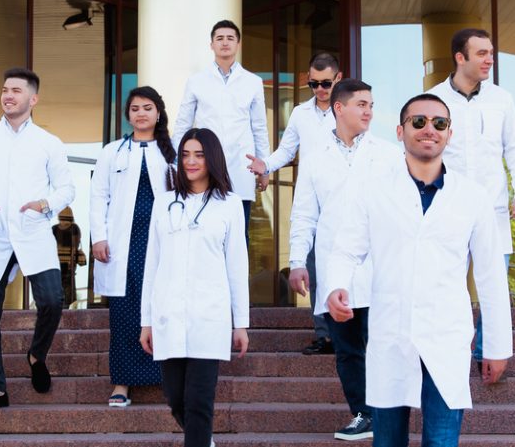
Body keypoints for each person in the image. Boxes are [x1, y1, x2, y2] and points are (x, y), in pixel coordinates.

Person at [326, 93, 512, 447]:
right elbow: (346, 247)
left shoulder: (472, 197)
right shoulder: (374, 189)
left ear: (449, 133)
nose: (429, 129)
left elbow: (490, 275)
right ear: (402, 130)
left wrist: (497, 344)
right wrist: (337, 286)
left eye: (439, 122)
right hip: (391, 337)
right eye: (419, 121)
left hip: (447, 340)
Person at [140, 127, 249, 447]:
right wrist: (146, 320)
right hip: (169, 314)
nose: (190, 161)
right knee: (175, 397)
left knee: (200, 400)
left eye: (199, 154)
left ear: (212, 158)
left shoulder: (228, 205)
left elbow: (237, 265)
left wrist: (241, 322)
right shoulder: (164, 203)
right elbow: (152, 264)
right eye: (185, 154)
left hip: (209, 316)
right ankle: (204, 444)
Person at [289, 78, 401, 441]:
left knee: (382, 345)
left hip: (380, 266)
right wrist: (297, 261)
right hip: (335, 267)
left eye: (371, 105)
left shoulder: (389, 155)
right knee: (348, 349)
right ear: (339, 108)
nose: (369, 112)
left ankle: (387, 411)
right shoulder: (315, 157)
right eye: (361, 105)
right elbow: (304, 215)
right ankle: (363, 413)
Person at [0, 68, 75, 409]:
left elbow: (67, 188)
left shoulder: (48, 142)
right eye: (4, 90)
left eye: (16, 90)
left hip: (33, 231)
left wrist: (45, 204)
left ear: (33, 98)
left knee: (52, 300)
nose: (8, 95)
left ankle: (36, 354)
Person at [427, 28, 515, 369]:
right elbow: (422, 153)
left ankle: (488, 352)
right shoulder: (433, 100)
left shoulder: (502, 99)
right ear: (460, 57)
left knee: (495, 287)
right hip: (448, 209)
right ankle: (450, 351)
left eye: (491, 53)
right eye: (482, 53)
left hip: (492, 209)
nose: (490, 60)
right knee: (447, 286)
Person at [247, 52, 342, 356]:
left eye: (325, 83)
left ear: (338, 79)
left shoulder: (347, 110)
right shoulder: (301, 113)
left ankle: (351, 334)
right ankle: (324, 335)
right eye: (314, 84)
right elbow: (287, 150)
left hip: (344, 198)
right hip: (311, 199)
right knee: (314, 265)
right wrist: (266, 165)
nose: (319, 89)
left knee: (346, 266)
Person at [90, 86, 176, 407]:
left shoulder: (173, 151)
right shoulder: (112, 152)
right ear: (128, 114)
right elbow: (98, 196)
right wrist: (98, 236)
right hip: (123, 244)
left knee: (163, 308)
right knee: (124, 313)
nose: (141, 113)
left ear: (158, 113)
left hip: (162, 241)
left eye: (147, 108)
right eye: (135, 108)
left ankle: (167, 379)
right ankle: (122, 384)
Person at [173, 20, 270, 242]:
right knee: (204, 230)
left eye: (230, 38)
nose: (225, 43)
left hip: (241, 163)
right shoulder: (196, 81)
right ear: (211, 45)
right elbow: (182, 124)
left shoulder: (253, 82)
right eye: (219, 38)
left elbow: (259, 127)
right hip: (205, 162)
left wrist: (264, 167)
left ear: (238, 44)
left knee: (239, 234)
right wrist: (176, 162)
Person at [52, 207, 86, 306]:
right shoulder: (74, 228)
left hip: (56, 263)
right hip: (69, 264)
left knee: (56, 288)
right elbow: (76, 245)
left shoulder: (54, 229)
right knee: (68, 288)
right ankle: (65, 307)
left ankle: (59, 307)